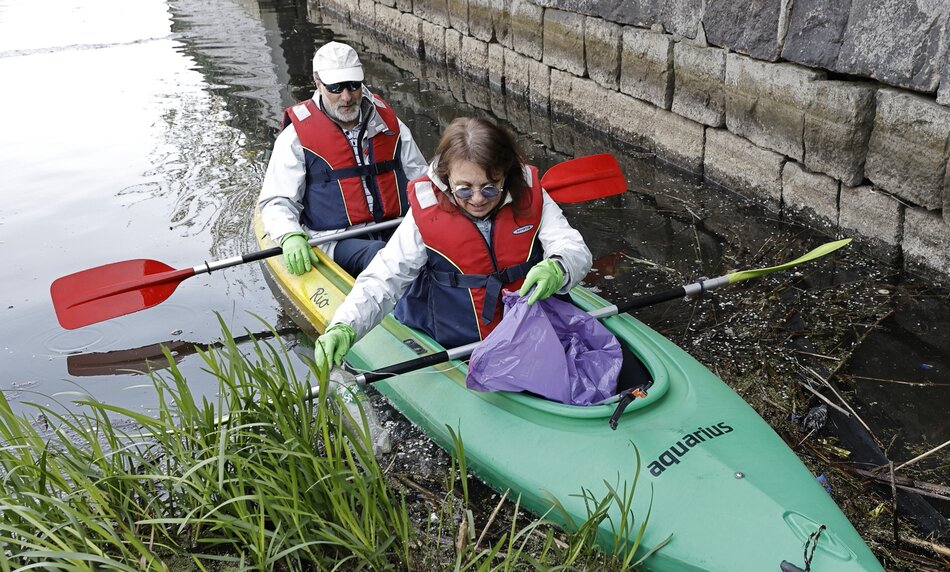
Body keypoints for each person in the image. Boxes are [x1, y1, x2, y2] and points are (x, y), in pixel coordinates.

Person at [312, 117, 593, 371]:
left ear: (505, 175)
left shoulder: (531, 192)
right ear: (447, 178)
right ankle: (346, 251)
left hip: (526, 327)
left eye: (490, 186)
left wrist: (558, 266)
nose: (478, 199)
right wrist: (345, 326)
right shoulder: (426, 210)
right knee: (378, 257)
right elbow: (385, 279)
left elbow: (572, 247)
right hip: (458, 337)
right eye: (464, 189)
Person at [258, 41, 428, 277]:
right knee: (380, 254)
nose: (346, 97)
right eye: (336, 87)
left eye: (353, 85)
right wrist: (289, 234)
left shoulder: (390, 125)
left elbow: (421, 180)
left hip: (393, 226)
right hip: (335, 238)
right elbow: (276, 201)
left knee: (427, 252)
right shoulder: (295, 138)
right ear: (318, 84)